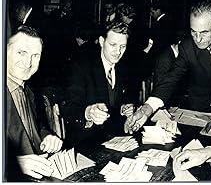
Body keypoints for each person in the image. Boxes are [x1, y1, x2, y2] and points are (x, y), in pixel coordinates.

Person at [124, 1, 211, 133]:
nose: (198, 39)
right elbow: (171, 78)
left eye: (204, 32)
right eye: (193, 32)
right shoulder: (187, 46)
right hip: (201, 105)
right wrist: (146, 109)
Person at [62, 22, 135, 147]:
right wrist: (88, 113)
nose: (118, 52)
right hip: (85, 141)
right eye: (113, 45)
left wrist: (124, 108)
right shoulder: (80, 66)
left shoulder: (123, 67)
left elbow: (118, 101)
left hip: (115, 138)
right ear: (101, 42)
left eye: (123, 46)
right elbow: (69, 108)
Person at [6, 25, 63, 181]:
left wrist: (47, 137)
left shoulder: (30, 92)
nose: (28, 62)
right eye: (21, 53)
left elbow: (35, 127)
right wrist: (13, 163)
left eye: (35, 55)